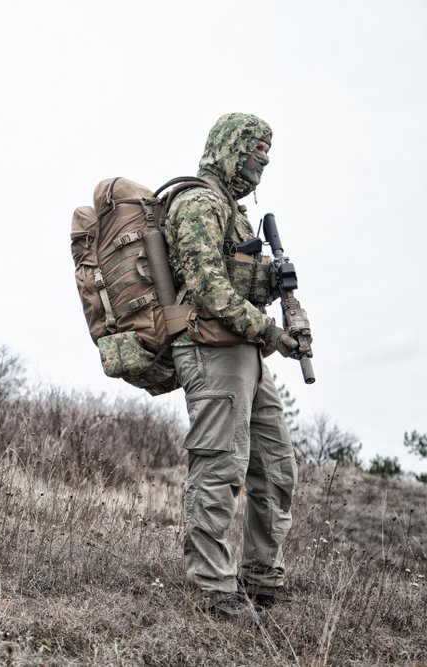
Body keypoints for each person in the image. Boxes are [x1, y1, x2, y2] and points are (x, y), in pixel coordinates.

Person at [164, 113, 300, 622]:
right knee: (220, 465)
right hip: (211, 348)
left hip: (245, 351)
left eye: (265, 159)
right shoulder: (199, 203)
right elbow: (207, 287)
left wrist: (270, 281)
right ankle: (211, 588)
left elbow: (234, 283)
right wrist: (271, 332)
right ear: (229, 150)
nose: (258, 167)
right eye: (252, 156)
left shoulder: (234, 213)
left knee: (275, 462)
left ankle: (262, 577)